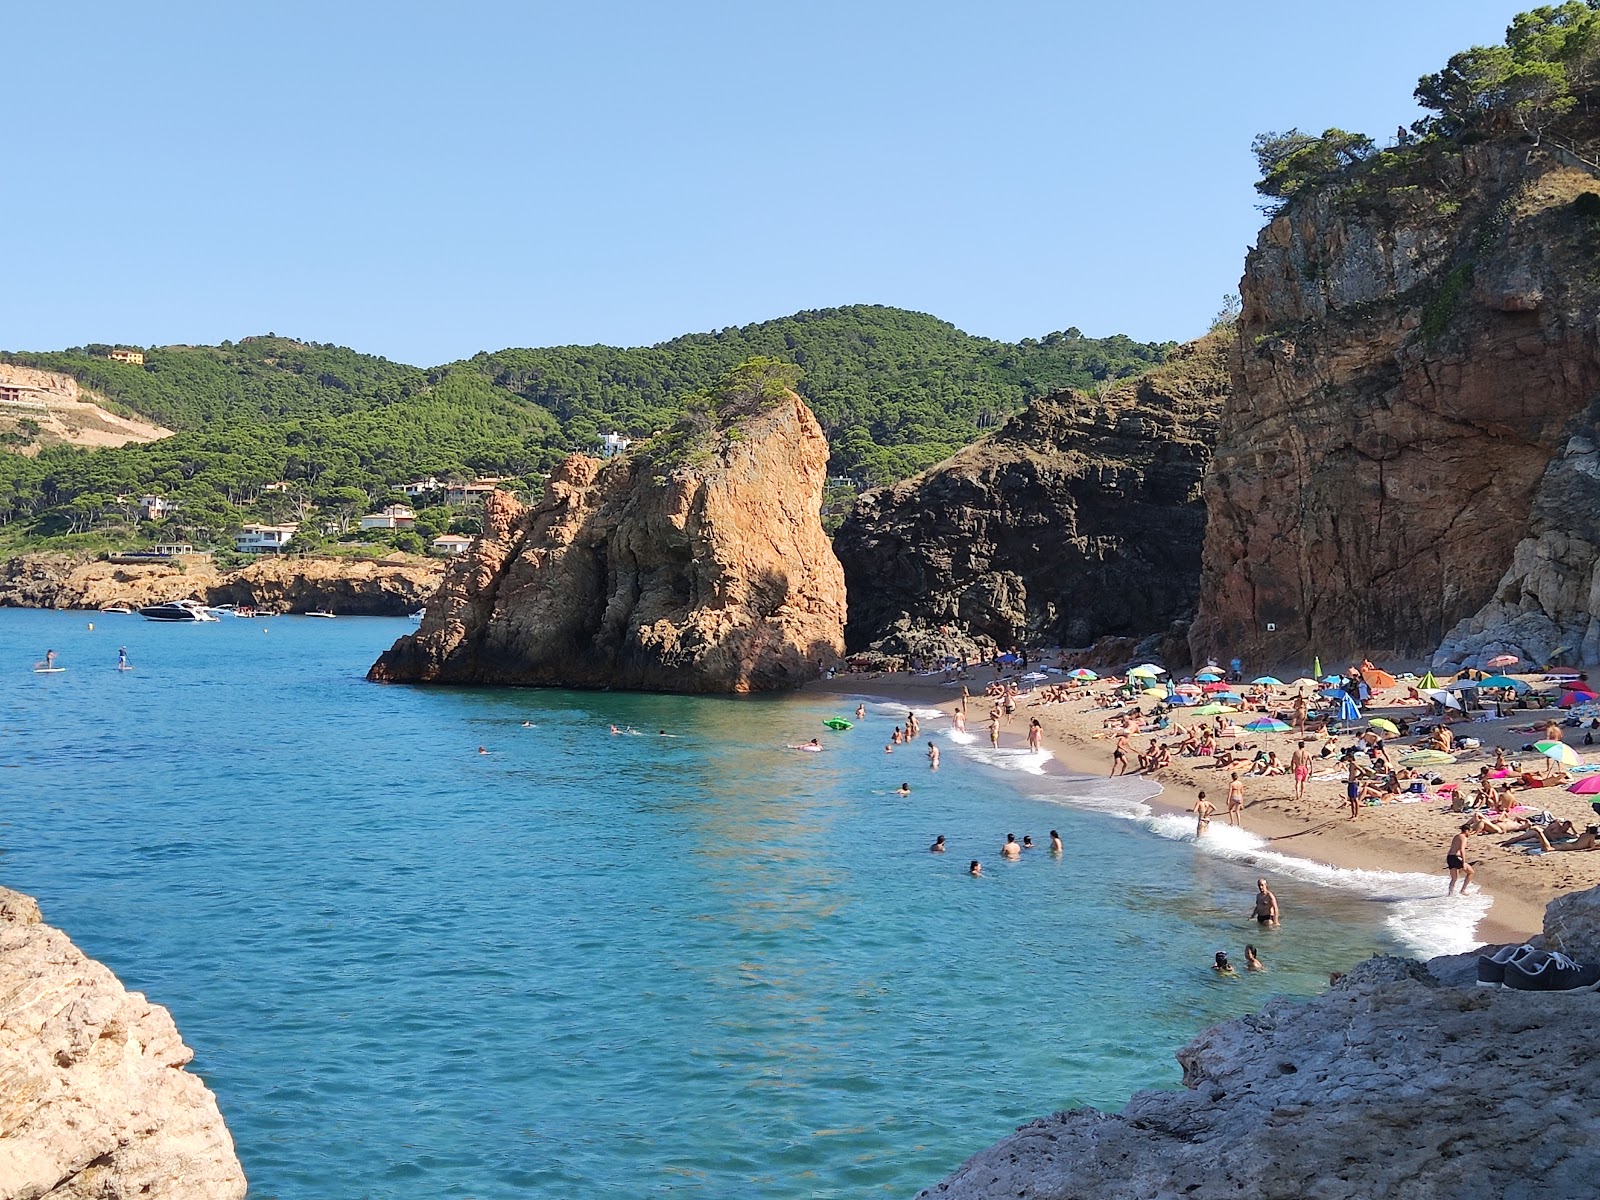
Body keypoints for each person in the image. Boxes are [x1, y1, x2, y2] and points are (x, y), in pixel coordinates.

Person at [1447, 824, 1475, 895]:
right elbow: (1462, 849)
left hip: (1450, 857)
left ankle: (1450, 893)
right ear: (1466, 830)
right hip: (1456, 857)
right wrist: (1463, 861)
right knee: (1471, 872)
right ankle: (1463, 890)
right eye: (1469, 831)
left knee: (1454, 878)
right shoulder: (1463, 837)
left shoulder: (1457, 836)